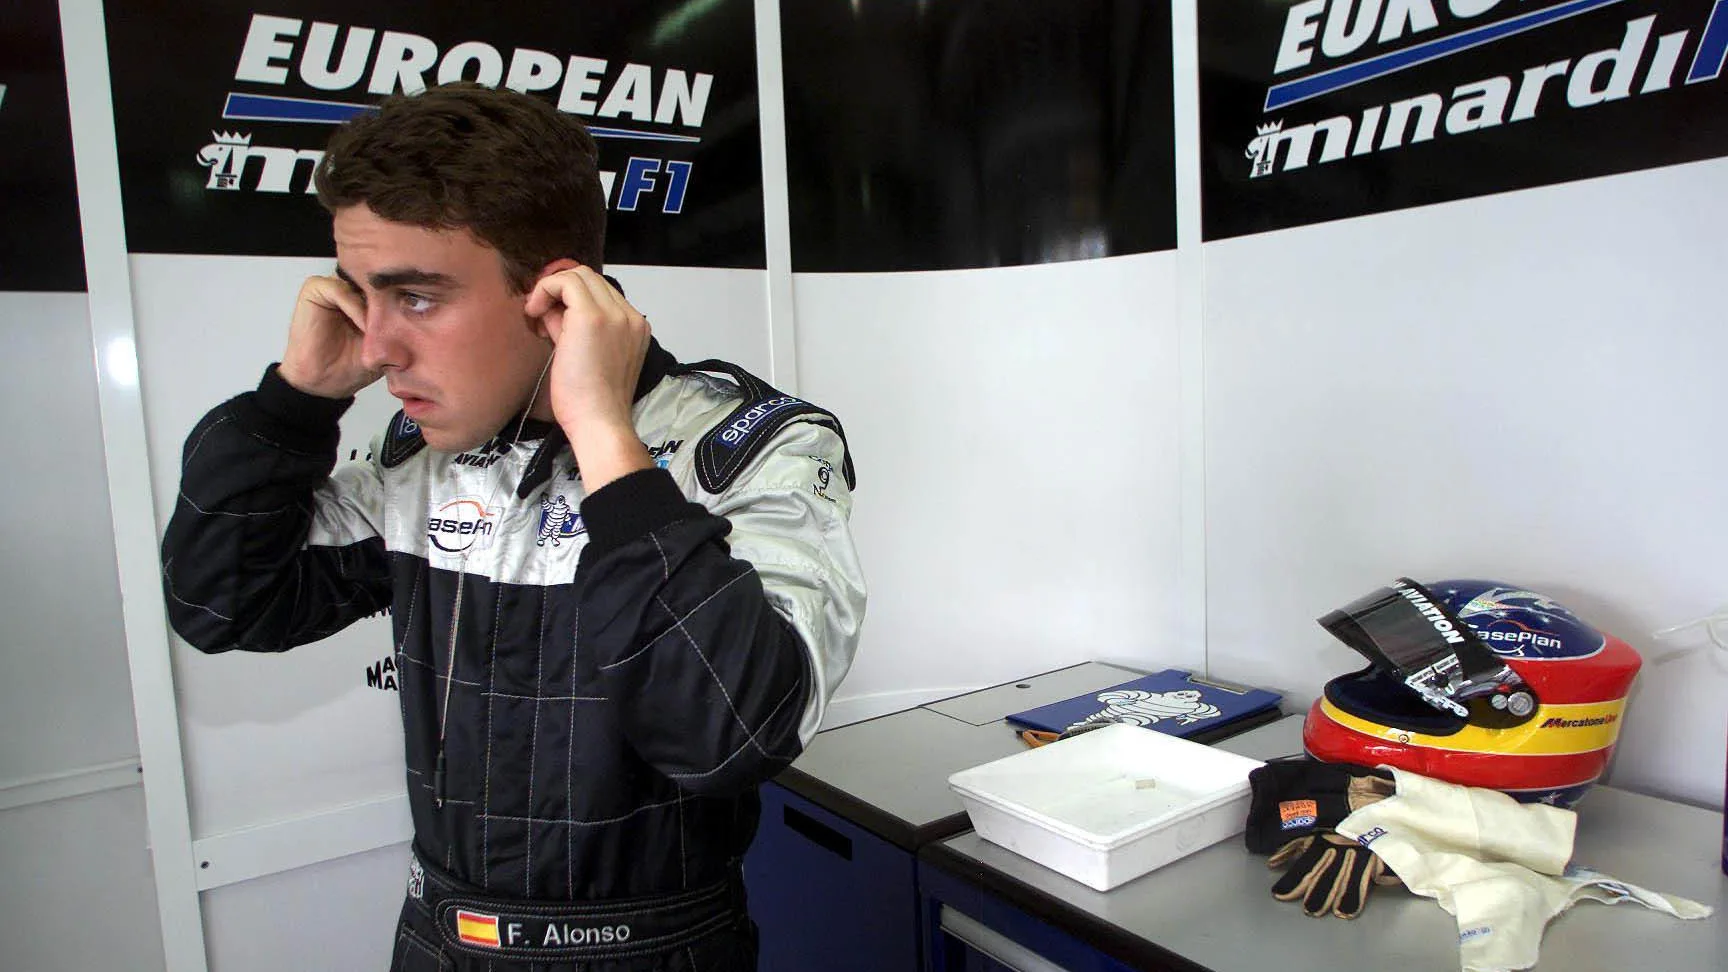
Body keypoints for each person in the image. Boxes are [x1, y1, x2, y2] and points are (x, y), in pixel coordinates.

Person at [159, 82, 865, 972]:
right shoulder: (422, 459)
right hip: (438, 942)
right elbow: (224, 602)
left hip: (647, 953)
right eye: (359, 293)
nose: (376, 347)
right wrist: (292, 404)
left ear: (556, 294)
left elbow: (728, 732)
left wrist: (606, 437)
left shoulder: (752, 449)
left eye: (414, 297)